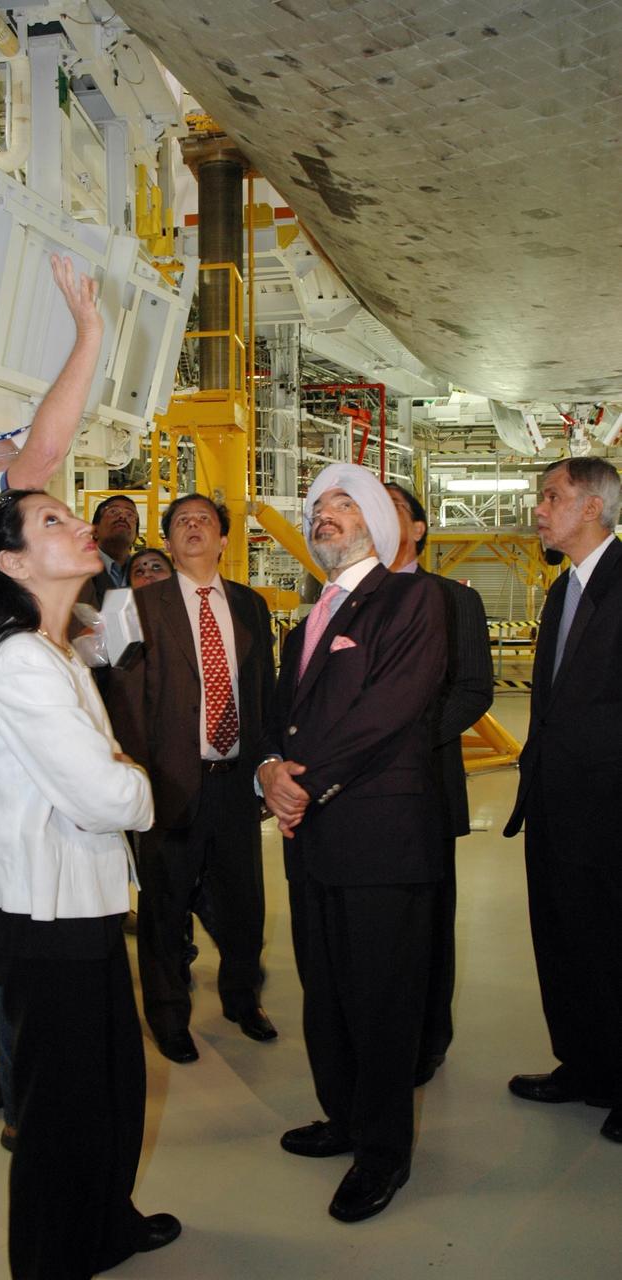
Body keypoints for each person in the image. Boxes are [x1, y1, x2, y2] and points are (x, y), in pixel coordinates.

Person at [0, 488, 181, 1279]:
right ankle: (50, 1259)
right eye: (53, 521)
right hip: (41, 915)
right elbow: (105, 795)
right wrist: (136, 785)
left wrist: (117, 784)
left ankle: (103, 1225)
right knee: (60, 1107)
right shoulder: (18, 663)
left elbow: (96, 790)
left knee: (109, 1084)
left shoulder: (51, 650)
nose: (80, 525)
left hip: (76, 901)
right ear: (11, 564)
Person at [0, 254, 103, 1150]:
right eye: (6, 461)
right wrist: (87, 333)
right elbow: (47, 451)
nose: (29, 474)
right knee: (16, 914)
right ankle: (14, 1095)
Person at [258, 462, 446, 1223]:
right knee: (325, 989)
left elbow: (390, 710)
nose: (321, 515)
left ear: (375, 520)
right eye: (314, 508)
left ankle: (382, 1152)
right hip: (310, 837)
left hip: (378, 836)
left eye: (340, 503)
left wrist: (305, 783)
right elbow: (281, 712)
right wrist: (268, 768)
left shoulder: (412, 598)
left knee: (380, 998)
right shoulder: (308, 617)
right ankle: (341, 1114)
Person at [107, 494, 277, 1063]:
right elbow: (125, 700)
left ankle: (241, 998)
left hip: (235, 780)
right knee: (165, 903)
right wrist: (138, 778)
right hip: (170, 781)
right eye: (182, 522)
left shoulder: (251, 607)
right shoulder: (140, 605)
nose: (194, 526)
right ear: (170, 542)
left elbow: (264, 695)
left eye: (205, 519)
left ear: (224, 540)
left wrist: (267, 765)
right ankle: (168, 1015)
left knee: (243, 900)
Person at [504, 456, 622, 1145]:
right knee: (563, 939)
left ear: (591, 508)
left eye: (550, 497)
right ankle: (582, 1064)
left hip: (609, 805)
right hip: (553, 802)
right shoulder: (562, 589)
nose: (538, 509)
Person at [386, 483, 493, 1085]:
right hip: (360, 800)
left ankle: (428, 1037)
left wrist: (406, 741)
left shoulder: (456, 601)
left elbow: (473, 689)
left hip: (425, 784)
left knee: (427, 920)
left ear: (421, 530)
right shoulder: (345, 598)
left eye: (396, 509)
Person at [89, 495, 140, 596]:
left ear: (136, 535)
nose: (123, 517)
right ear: (94, 531)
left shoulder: (145, 572)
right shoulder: (74, 572)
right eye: (113, 511)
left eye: (130, 515)